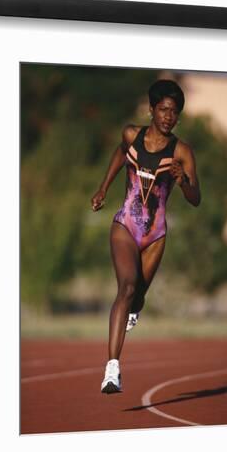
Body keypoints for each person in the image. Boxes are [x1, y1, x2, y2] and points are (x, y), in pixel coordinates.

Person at [91, 79, 201, 394]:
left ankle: (138, 304)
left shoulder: (182, 151)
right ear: (152, 109)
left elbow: (196, 199)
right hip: (125, 224)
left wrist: (184, 182)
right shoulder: (131, 134)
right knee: (125, 287)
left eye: (175, 112)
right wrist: (103, 188)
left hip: (155, 235)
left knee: (137, 295)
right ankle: (112, 369)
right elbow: (119, 153)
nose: (169, 116)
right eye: (164, 109)